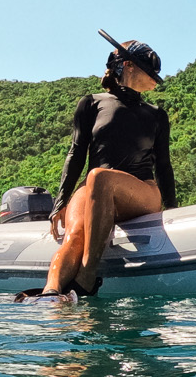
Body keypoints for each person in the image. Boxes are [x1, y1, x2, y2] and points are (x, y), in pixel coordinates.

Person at [15, 34, 176, 302]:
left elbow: (164, 165)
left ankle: (87, 278)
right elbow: (76, 153)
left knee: (99, 177)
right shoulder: (92, 103)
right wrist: (60, 203)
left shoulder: (156, 114)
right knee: (75, 232)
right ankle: (50, 294)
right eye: (149, 68)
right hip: (94, 189)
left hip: (141, 192)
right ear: (128, 65)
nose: (155, 76)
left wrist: (172, 211)